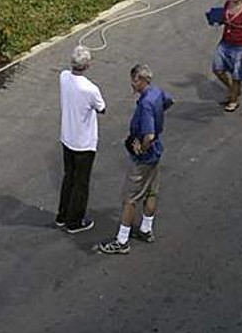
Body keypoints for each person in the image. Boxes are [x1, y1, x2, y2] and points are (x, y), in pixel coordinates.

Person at [96, 64, 173, 256]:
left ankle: (122, 241)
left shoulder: (146, 104)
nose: (132, 83)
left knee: (129, 199)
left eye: (135, 80)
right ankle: (146, 229)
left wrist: (141, 149)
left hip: (145, 157)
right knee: (152, 192)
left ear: (143, 80)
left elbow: (149, 135)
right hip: (156, 152)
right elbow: (169, 101)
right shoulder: (157, 92)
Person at [56, 43, 106, 235]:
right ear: (87, 65)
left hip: (67, 137)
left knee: (68, 177)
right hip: (84, 143)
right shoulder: (90, 89)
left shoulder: (63, 77)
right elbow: (102, 108)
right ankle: (74, 221)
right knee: (81, 183)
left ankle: (62, 215)